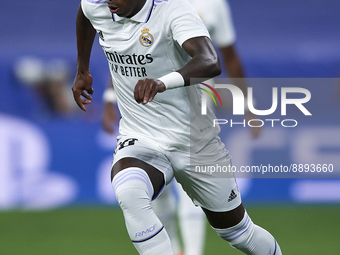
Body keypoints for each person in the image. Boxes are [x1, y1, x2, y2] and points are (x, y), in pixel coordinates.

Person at [72, 0, 282, 254]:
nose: (110, 1)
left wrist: (162, 83)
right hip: (141, 135)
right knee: (129, 192)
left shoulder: (174, 11)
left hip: (194, 141)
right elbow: (85, 14)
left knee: (238, 233)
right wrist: (82, 68)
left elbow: (211, 60)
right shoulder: (98, 4)